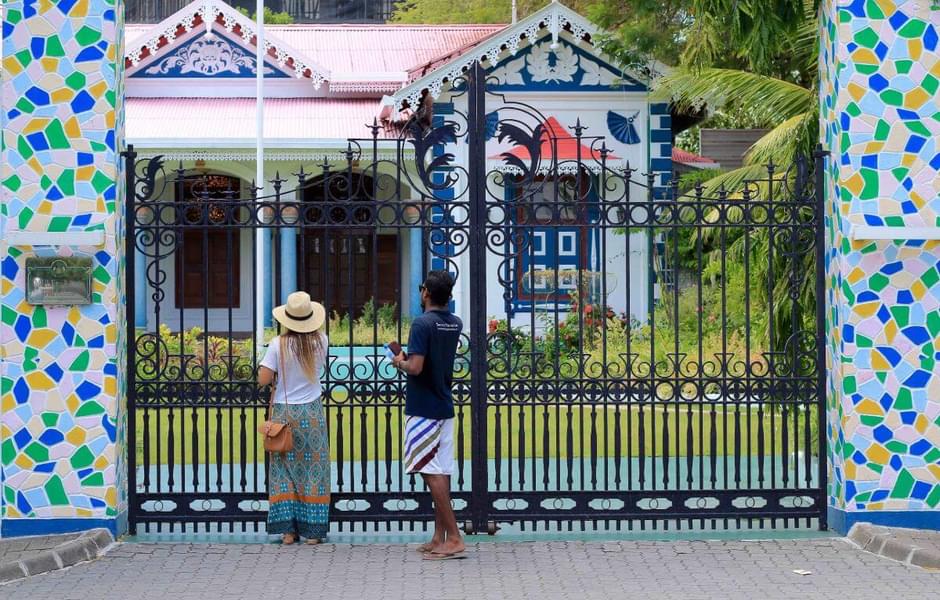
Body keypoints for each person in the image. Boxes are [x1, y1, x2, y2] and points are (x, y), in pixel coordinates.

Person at [392, 270, 465, 560]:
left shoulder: (422, 324)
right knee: (441, 470)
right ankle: (439, 537)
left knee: (430, 471)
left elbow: (416, 367)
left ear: (425, 293)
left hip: (422, 408)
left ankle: (455, 538)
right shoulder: (454, 323)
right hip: (444, 404)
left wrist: (400, 361)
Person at [258, 291, 330, 545]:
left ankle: (289, 531)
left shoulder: (278, 344)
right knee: (313, 470)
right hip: (311, 411)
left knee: (284, 469)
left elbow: (263, 379)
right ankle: (313, 531)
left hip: (284, 412)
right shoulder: (322, 340)